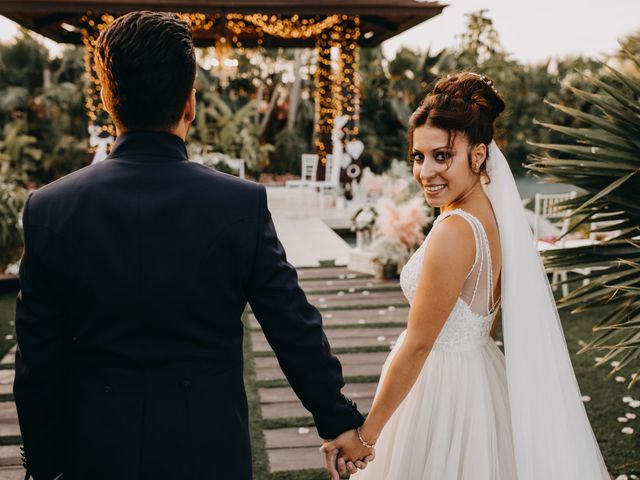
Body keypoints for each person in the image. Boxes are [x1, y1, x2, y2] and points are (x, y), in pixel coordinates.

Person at [13, 11, 370, 479]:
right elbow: (292, 325)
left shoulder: (50, 208)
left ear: (105, 98)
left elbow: (37, 361)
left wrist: (42, 463)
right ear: (191, 103)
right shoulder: (239, 204)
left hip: (95, 451)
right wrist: (337, 418)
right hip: (207, 449)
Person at [321, 72, 610, 479]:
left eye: (443, 156)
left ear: (477, 155)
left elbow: (420, 345)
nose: (425, 172)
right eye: (419, 157)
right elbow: (487, 319)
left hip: (441, 389)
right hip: (477, 374)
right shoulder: (491, 216)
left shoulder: (455, 230)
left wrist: (367, 437)